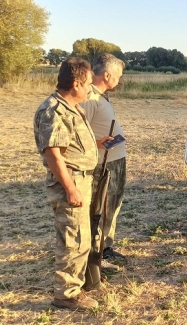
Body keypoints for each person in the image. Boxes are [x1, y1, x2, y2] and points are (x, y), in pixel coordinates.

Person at [33, 57, 100, 310]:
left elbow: (71, 145)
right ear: (75, 83)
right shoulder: (53, 110)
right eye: (88, 84)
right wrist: (71, 189)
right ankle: (66, 295)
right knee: (73, 239)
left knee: (80, 238)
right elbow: (53, 154)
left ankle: (74, 288)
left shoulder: (71, 106)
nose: (90, 89)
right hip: (69, 183)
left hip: (81, 179)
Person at [81, 53, 127, 271]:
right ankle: (96, 255)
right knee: (102, 208)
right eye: (118, 75)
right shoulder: (90, 97)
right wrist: (96, 143)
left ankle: (105, 247)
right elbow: (79, 129)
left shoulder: (101, 95)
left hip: (114, 160)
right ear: (107, 74)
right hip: (103, 164)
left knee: (112, 207)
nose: (120, 79)